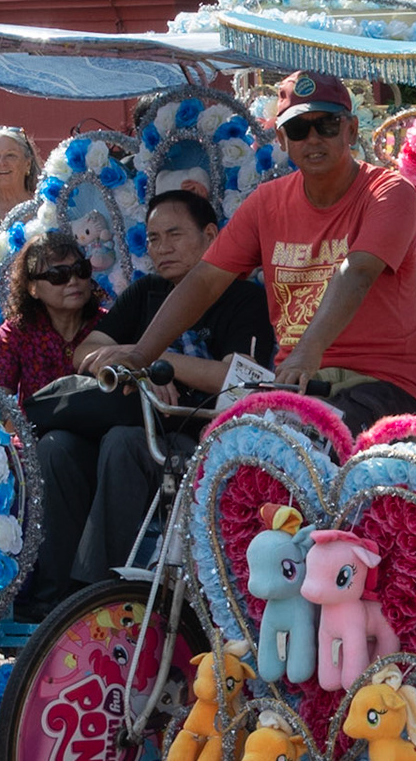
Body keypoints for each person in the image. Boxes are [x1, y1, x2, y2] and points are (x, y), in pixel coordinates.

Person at [102, 70, 416, 434]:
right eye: (299, 129)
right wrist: (140, 355)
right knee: (220, 455)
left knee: (301, 448)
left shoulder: (388, 191)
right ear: (282, 139)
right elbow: (206, 280)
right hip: (294, 389)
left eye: (327, 125)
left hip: (378, 385)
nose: (313, 138)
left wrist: (307, 351)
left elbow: (358, 271)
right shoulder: (266, 203)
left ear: (350, 130)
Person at [24, 191, 274, 617]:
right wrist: (140, 372)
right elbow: (87, 352)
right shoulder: (146, 293)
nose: (162, 248)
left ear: (211, 235)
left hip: (195, 441)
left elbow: (237, 377)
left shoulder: (244, 299)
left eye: (175, 234)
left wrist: (159, 362)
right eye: (154, 238)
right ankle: (54, 597)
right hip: (128, 427)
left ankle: (98, 595)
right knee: (56, 448)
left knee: (125, 442)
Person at [0, 232, 105, 404]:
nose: (73, 280)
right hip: (42, 429)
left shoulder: (108, 323)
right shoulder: (17, 332)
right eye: (58, 275)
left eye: (81, 270)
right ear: (32, 288)